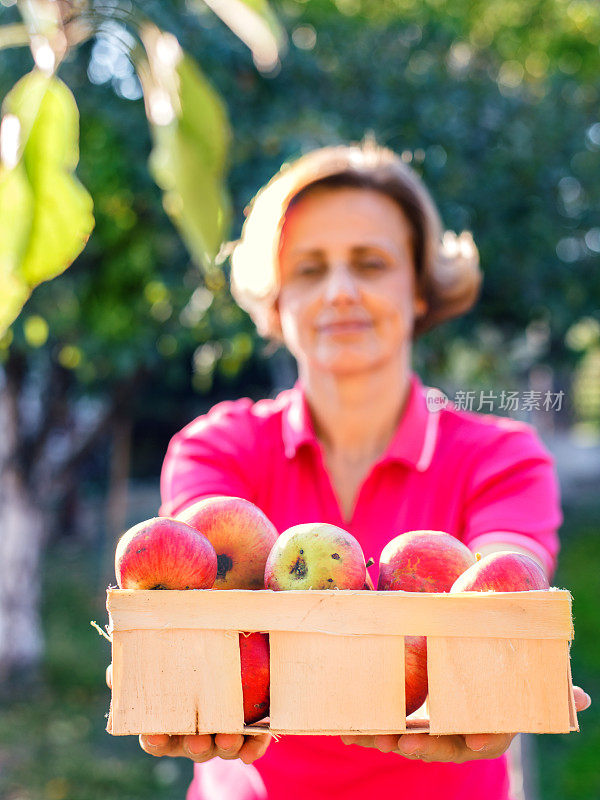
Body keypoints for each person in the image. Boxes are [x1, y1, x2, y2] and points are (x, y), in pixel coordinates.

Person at [132, 141, 591, 799]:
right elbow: (195, 596)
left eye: (370, 263)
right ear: (276, 294)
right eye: (310, 268)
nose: (341, 291)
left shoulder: (500, 456)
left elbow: (506, 587)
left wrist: (506, 655)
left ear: (420, 287)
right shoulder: (216, 447)